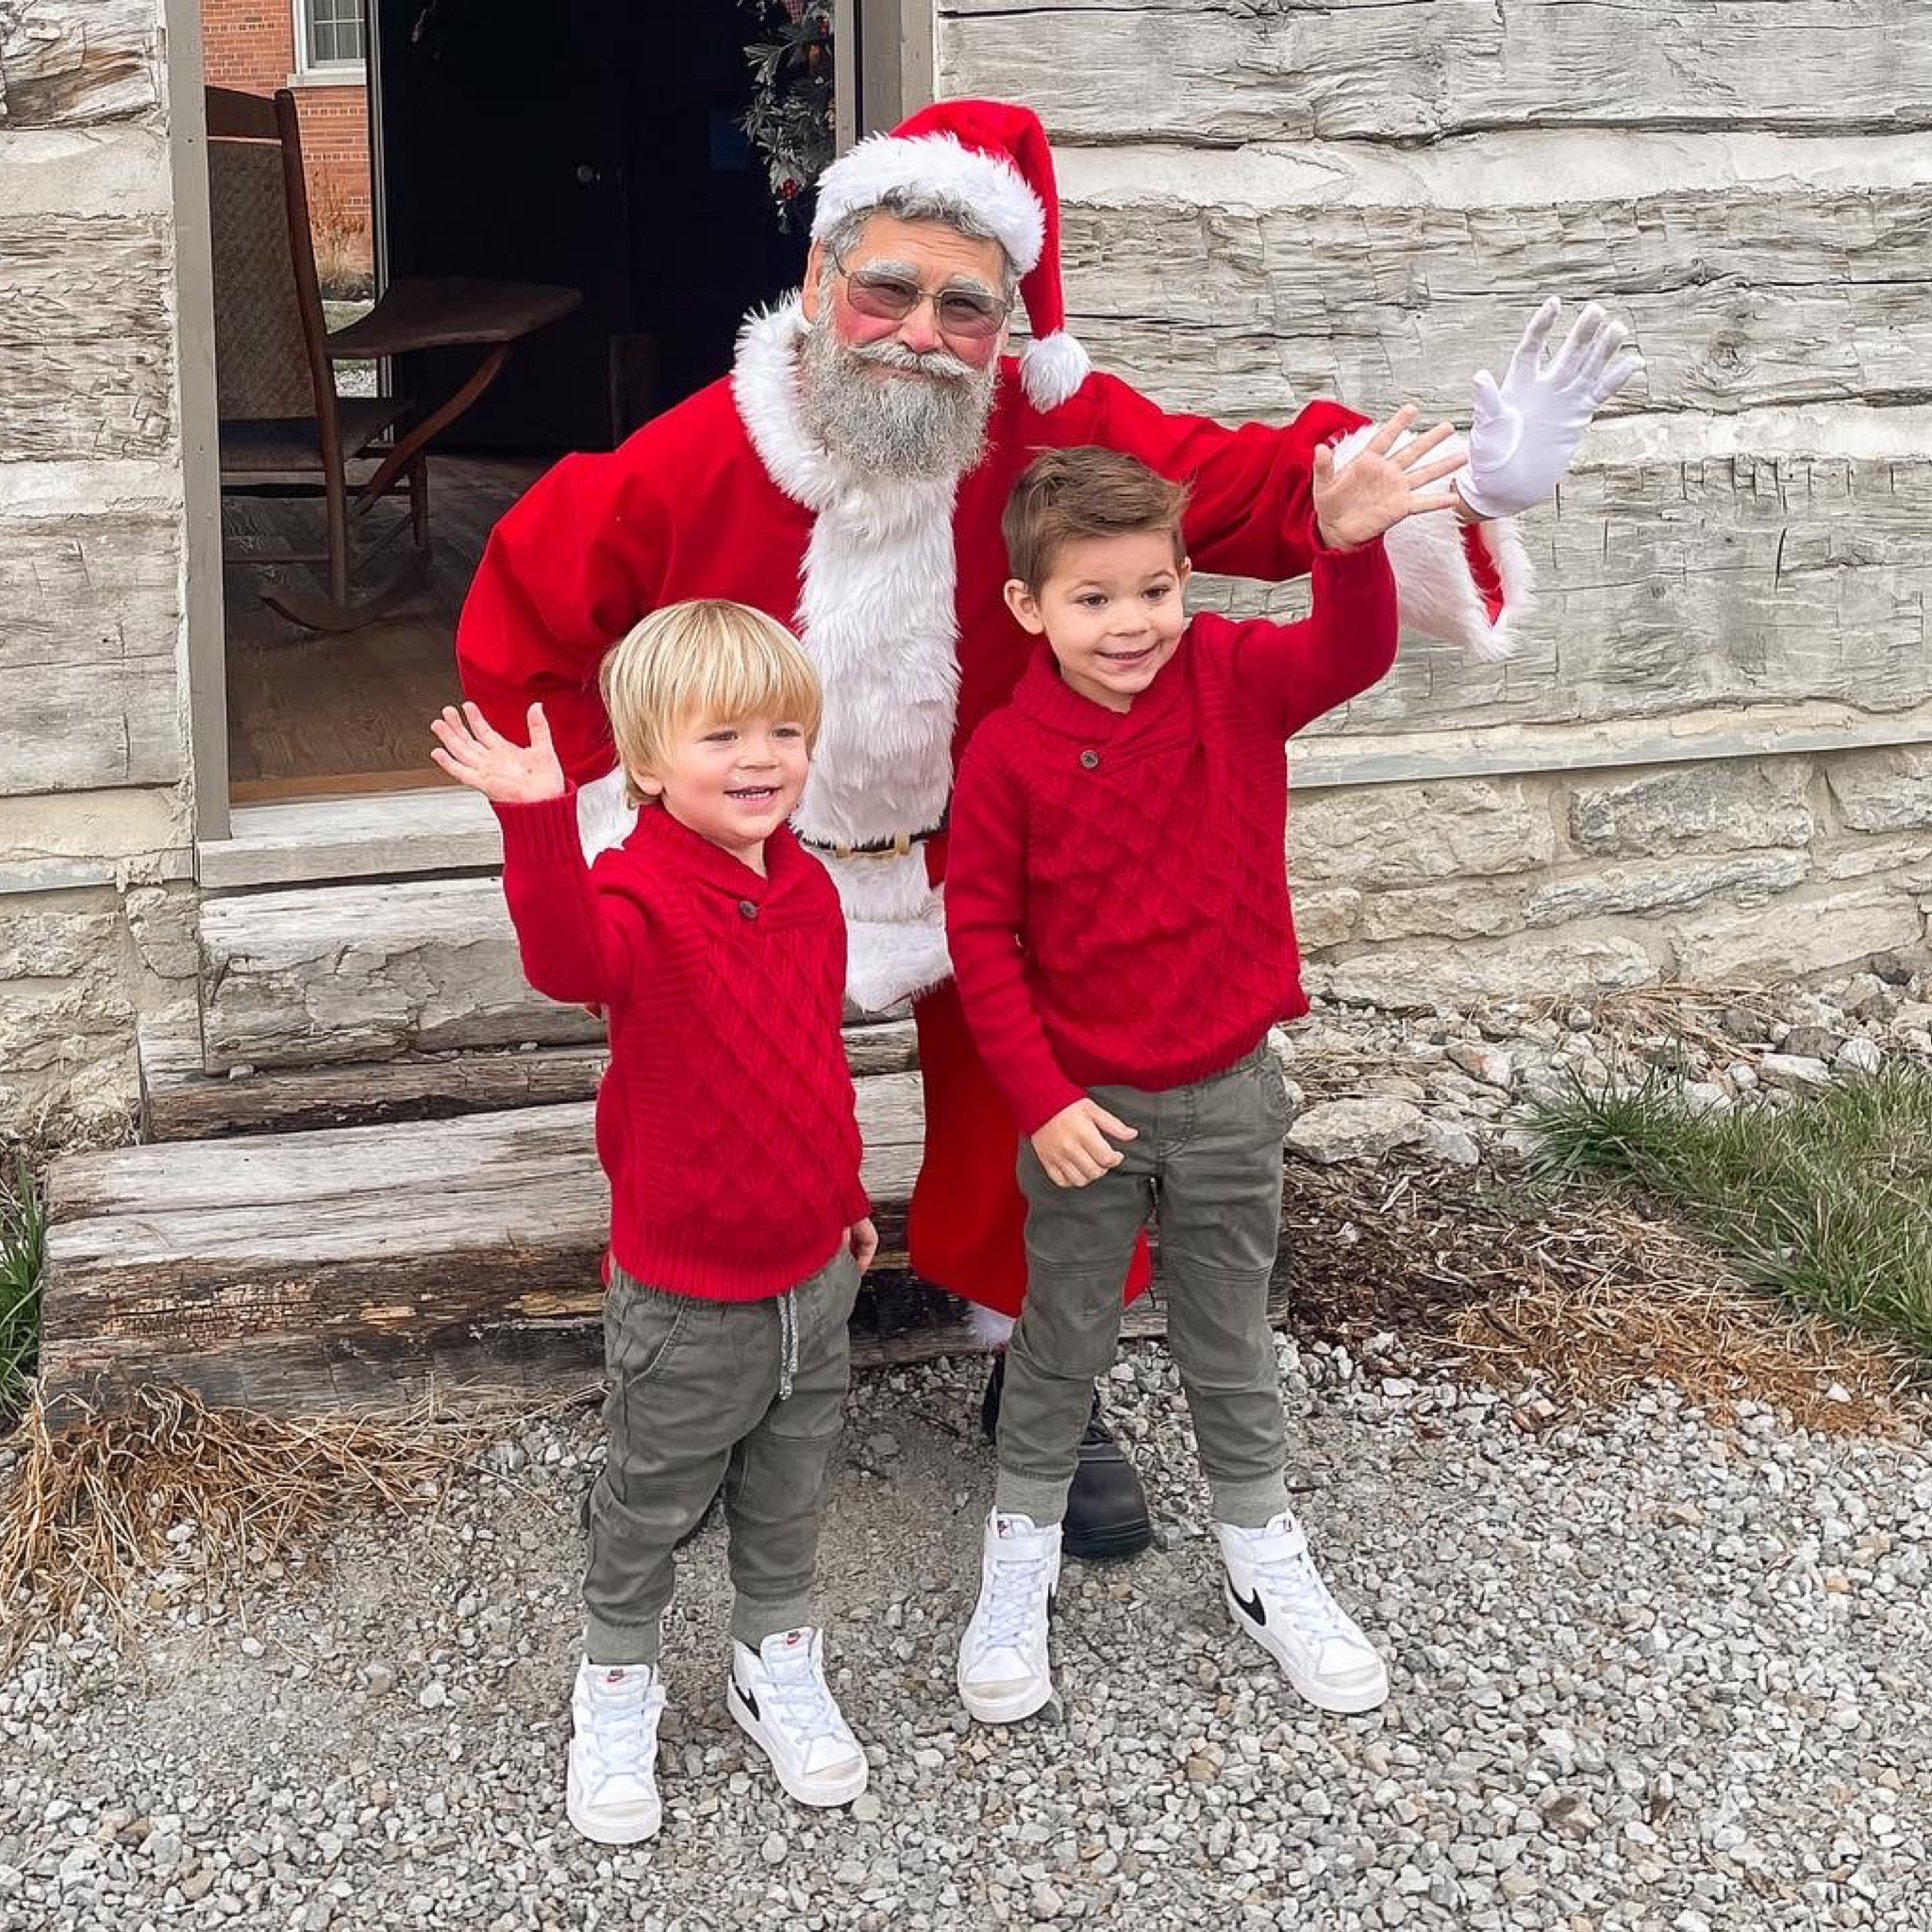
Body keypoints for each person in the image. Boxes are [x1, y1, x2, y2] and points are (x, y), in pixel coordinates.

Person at [455, 96, 1641, 1561]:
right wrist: (608, 810)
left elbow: (1238, 487)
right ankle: (700, 1393)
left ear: (1007, 324)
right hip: (754, 856)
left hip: (978, 847)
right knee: (709, 1118)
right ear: (820, 279)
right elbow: (528, 606)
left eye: (966, 308)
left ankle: (1039, 1370)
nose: (918, 334)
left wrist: (1449, 484)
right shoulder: (693, 456)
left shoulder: (1045, 432)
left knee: (1053, 1093)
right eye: (887, 289)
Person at [945, 433, 1441, 1722]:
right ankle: (1018, 1558)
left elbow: (1352, 655)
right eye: (1093, 598)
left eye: (1155, 589)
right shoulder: (1006, 754)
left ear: (1185, 583)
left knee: (1230, 1333)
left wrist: (1346, 546)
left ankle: (1263, 1555)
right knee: (1061, 1337)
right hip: (1086, 1114)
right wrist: (1041, 1099)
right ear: (1030, 608)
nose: (1132, 624)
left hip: (1228, 1093)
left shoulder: (1230, 676)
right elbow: (981, 940)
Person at [430, 601, 879, 1842]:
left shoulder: (810, 890)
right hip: (685, 1298)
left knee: (790, 1487)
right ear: (644, 763)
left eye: (783, 731)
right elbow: (567, 962)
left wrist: (846, 1194)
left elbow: (812, 1065)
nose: (760, 758)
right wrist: (537, 821)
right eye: (720, 735)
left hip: (812, 1276)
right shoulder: (633, 889)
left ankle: (772, 1657)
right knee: (651, 1498)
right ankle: (617, 1678)